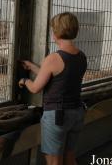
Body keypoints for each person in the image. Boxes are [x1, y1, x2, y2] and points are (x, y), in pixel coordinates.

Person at [18, 12, 87, 165]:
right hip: (77, 112)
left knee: (54, 161)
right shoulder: (81, 56)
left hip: (58, 116)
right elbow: (58, 76)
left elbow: (36, 88)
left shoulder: (53, 58)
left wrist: (24, 80)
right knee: (69, 157)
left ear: (56, 32)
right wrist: (32, 67)